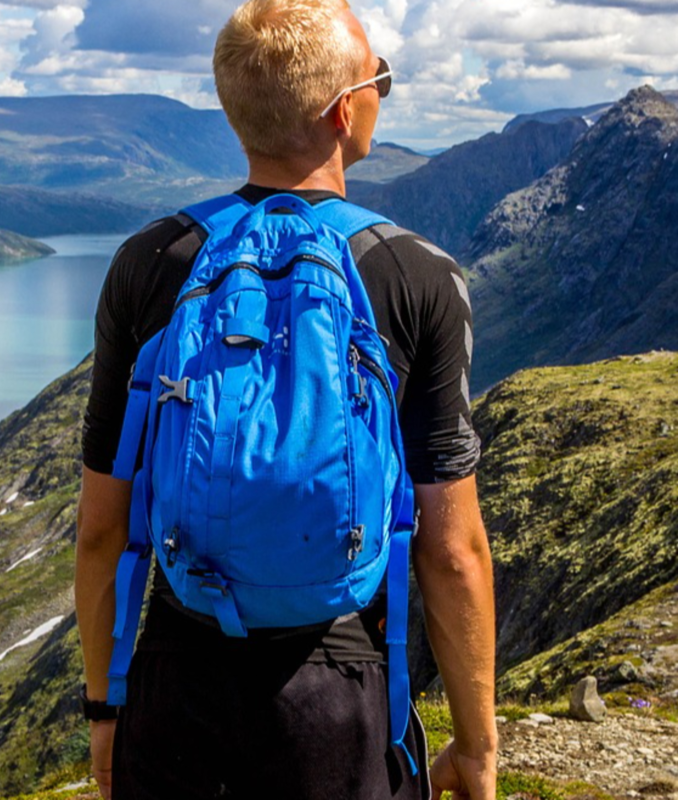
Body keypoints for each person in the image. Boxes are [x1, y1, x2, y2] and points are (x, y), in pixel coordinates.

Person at [76, 0, 497, 798]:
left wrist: (106, 708)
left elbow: (103, 530)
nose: (382, 93)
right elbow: (451, 551)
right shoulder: (416, 274)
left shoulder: (151, 261)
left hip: (176, 680)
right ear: (344, 111)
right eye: (380, 80)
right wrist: (475, 748)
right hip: (339, 690)